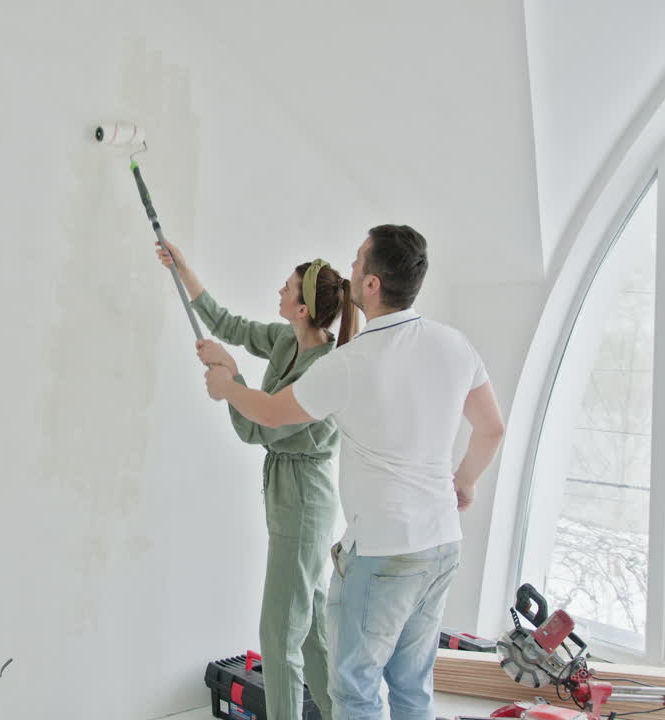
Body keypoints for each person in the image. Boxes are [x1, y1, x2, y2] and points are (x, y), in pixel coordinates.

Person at [200, 225, 506, 720]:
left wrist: (226, 384)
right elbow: (491, 428)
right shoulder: (453, 344)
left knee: (356, 694)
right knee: (411, 688)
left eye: (359, 258)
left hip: (384, 553)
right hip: (443, 544)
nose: (352, 266)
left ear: (372, 284)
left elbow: (273, 415)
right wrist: (464, 482)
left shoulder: (350, 362)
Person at [156, 239, 358, 720]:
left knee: (279, 635)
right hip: (290, 496)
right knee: (306, 630)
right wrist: (184, 267)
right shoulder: (288, 340)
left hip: (305, 501)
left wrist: (229, 378)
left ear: (304, 307)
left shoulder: (321, 369)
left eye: (286, 287)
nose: (279, 290)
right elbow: (228, 324)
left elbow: (256, 427)